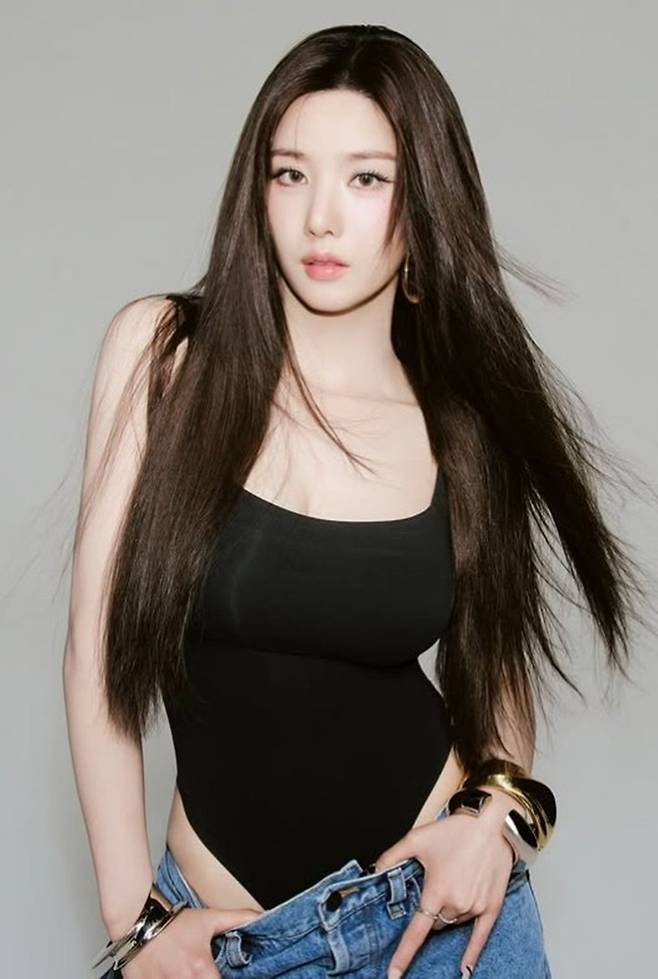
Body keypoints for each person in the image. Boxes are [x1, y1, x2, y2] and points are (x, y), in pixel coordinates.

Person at [63, 23, 649, 979]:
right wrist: (134, 922)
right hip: (221, 944)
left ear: (423, 203)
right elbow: (94, 651)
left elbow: (498, 672)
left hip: (440, 930)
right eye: (291, 174)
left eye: (367, 179)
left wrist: (495, 821)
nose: (321, 218)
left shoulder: (462, 414)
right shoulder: (163, 356)